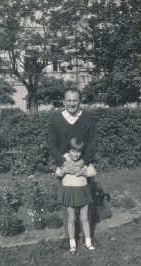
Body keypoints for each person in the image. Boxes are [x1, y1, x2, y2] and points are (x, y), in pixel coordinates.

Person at [48, 87, 98, 249]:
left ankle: (86, 236)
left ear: (79, 101)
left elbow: (93, 143)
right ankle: (70, 238)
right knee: (67, 203)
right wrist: (64, 164)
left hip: (84, 167)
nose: (72, 103)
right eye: (68, 100)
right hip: (65, 168)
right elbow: (52, 145)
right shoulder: (56, 120)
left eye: (75, 100)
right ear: (63, 102)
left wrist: (82, 162)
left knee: (86, 203)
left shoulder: (88, 119)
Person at [55, 138, 97, 255]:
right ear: (69, 150)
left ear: (81, 152)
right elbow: (57, 173)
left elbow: (93, 172)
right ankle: (72, 244)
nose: (75, 154)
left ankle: (88, 242)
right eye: (73, 151)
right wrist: (63, 171)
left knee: (84, 218)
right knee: (71, 219)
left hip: (82, 191)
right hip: (69, 192)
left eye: (78, 152)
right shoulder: (65, 161)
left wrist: (84, 173)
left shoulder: (84, 162)